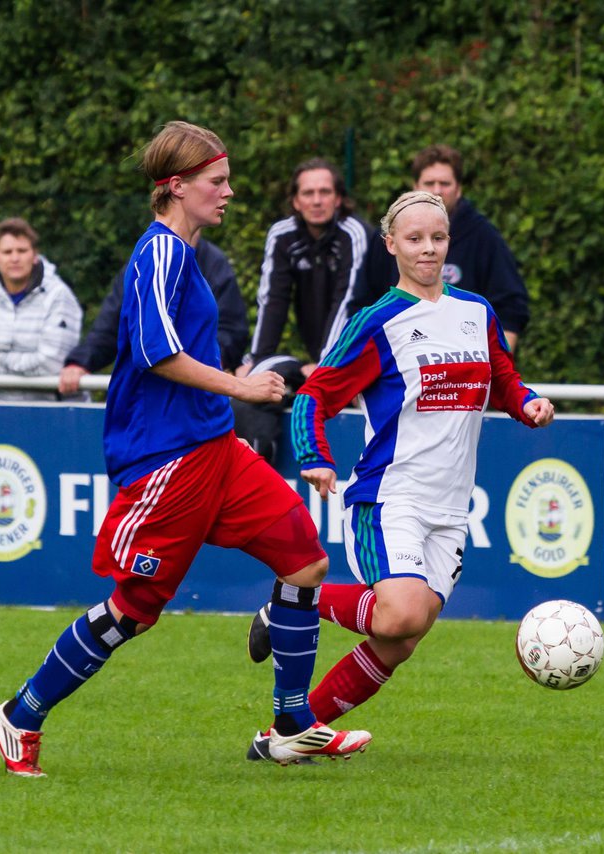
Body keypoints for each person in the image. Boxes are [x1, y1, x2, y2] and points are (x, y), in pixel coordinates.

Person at [0, 121, 370, 777]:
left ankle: (291, 726)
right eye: (217, 181)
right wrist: (241, 384)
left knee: (303, 559)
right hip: (167, 461)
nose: (229, 191)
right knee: (134, 610)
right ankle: (19, 716)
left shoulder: (186, 256)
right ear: (177, 187)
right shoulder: (158, 253)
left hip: (214, 447)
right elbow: (159, 354)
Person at [246, 190, 554, 733]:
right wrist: (314, 456)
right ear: (391, 245)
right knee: (400, 613)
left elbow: (501, 378)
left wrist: (527, 403)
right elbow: (314, 396)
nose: (428, 249)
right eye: (414, 239)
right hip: (391, 497)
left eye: (437, 238)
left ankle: (288, 735)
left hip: (452, 507)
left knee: (402, 640)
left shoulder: (475, 311)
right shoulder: (378, 321)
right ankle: (293, 600)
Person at [233, 158, 373, 466]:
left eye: (325, 192)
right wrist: (256, 360)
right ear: (296, 200)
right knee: (257, 378)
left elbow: (348, 302)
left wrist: (326, 363)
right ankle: (256, 467)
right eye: (308, 193)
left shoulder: (356, 233)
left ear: (338, 198)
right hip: (321, 357)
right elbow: (272, 299)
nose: (317, 200)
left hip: (363, 353)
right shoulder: (282, 234)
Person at [352, 144, 530, 351]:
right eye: (429, 182)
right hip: (400, 355)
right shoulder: (389, 234)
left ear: (458, 189)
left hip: (465, 357)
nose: (437, 190)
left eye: (444, 183)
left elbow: (511, 307)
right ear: (415, 185)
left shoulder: (484, 236)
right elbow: (362, 301)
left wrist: (493, 365)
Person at [58, 237, 248, 396]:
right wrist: (80, 362)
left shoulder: (214, 264)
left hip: (200, 392)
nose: (226, 193)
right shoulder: (144, 259)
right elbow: (114, 325)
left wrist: (210, 364)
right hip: (151, 397)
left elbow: (232, 329)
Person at [0, 218, 83, 401]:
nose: (15, 258)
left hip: (55, 414)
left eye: (22, 251)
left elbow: (50, 364)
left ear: (34, 255)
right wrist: (19, 368)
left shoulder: (58, 296)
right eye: (7, 252)